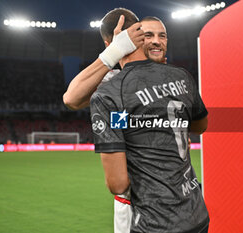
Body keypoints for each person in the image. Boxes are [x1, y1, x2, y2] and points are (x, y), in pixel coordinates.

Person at [90, 8, 209, 233]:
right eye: (149, 35)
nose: (156, 41)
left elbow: (118, 184)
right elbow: (200, 126)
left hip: (152, 221)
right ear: (137, 38)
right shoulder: (180, 76)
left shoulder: (111, 93)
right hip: (194, 212)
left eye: (161, 35)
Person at [63, 13, 171, 233]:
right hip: (136, 207)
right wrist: (114, 51)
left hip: (177, 200)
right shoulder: (112, 81)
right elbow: (71, 98)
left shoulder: (170, 76)